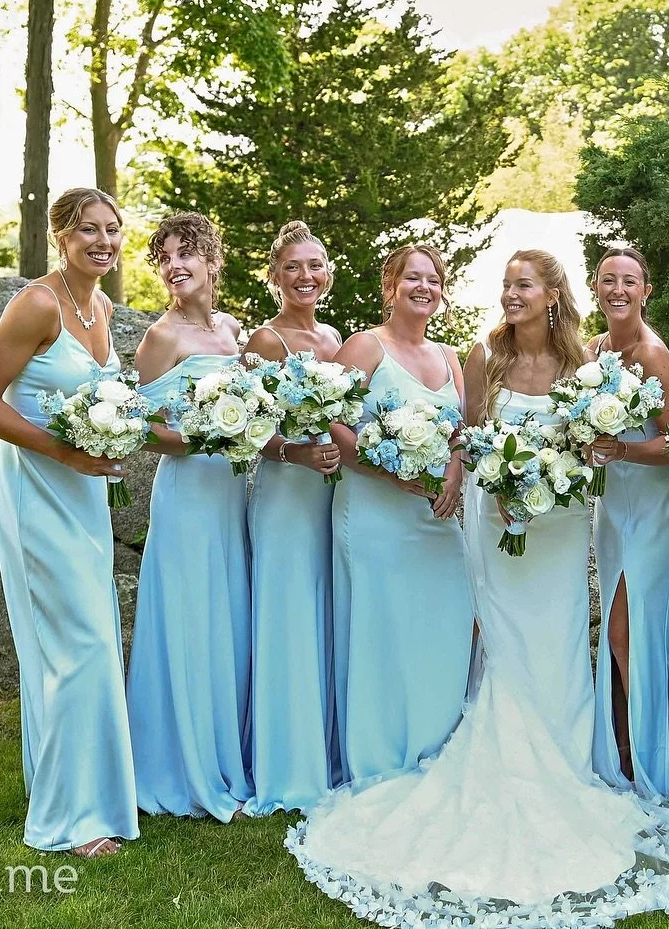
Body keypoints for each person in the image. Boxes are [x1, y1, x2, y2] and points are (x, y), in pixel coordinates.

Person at [287, 249, 669, 929]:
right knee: (504, 642)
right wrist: (480, 487)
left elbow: (590, 445)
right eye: (506, 284)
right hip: (495, 522)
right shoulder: (483, 354)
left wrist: (553, 484)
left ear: (552, 295)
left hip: (557, 525)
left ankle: (566, 768)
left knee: (553, 641)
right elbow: (468, 438)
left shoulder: (585, 364)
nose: (510, 294)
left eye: (522, 284)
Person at [0, 186, 137, 857]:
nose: (103, 241)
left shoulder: (103, 305)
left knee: (80, 640)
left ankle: (61, 781)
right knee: (81, 642)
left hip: (85, 492)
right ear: (59, 236)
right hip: (39, 486)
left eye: (113, 230)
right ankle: (73, 818)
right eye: (88, 230)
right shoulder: (36, 302)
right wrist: (64, 449)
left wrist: (111, 435)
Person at [325, 244, 473, 785]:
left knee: (447, 618)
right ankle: (379, 759)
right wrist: (390, 471)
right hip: (374, 514)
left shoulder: (452, 358)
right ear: (390, 284)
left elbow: (462, 433)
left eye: (433, 279)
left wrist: (454, 471)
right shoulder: (365, 347)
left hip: (435, 518)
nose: (424, 287)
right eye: (413, 277)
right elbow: (330, 420)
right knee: (380, 628)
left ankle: (435, 748)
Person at [125, 211, 253, 821]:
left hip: (231, 498)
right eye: (166, 257)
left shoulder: (232, 331)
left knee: (226, 615)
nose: (176, 266)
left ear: (212, 261)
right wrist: (202, 436)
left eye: (187, 254)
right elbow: (144, 429)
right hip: (187, 498)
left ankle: (227, 753)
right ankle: (180, 763)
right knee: (190, 615)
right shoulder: (161, 339)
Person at [242, 220, 344, 815]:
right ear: (275, 276)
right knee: (288, 616)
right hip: (285, 494)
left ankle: (325, 750)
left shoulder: (334, 337)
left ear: (328, 273)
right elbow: (248, 429)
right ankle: (287, 764)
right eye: (293, 268)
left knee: (325, 614)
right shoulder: (265, 342)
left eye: (315, 266)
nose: (305, 277)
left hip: (333, 497)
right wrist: (296, 452)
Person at [585, 247, 669, 800]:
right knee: (622, 631)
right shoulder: (594, 351)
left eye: (630, 281)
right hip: (612, 506)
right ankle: (621, 748)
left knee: (629, 629)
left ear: (646, 291)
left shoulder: (652, 354)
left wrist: (620, 449)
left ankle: (646, 754)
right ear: (595, 288)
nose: (618, 290)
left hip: (651, 503)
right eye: (608, 280)